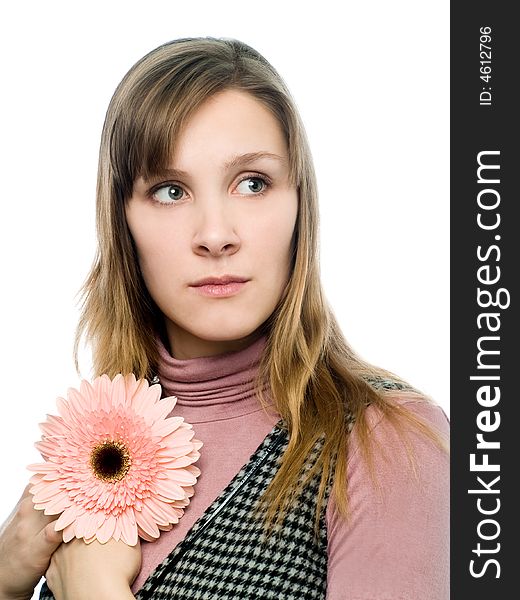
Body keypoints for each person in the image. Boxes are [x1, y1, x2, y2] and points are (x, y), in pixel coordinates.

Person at [0, 37, 449, 600]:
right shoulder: (99, 443)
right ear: (122, 222)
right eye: (169, 190)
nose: (215, 235)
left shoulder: (389, 441)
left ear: (298, 205)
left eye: (252, 183)